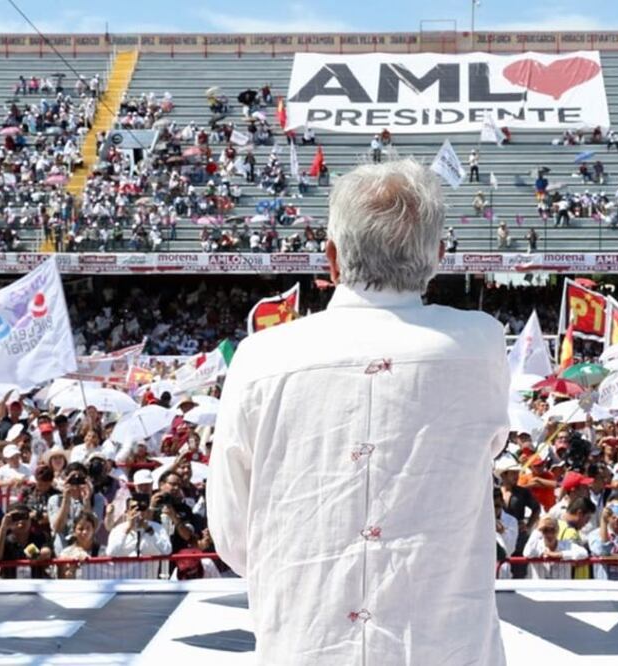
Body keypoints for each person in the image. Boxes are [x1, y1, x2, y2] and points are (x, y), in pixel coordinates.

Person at [208, 158, 510, 665]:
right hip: (446, 647)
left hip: (303, 644)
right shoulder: (480, 342)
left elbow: (235, 536)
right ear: (437, 257)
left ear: (331, 259)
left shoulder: (260, 356)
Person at [0, 502, 53, 578]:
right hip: (11, 585)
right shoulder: (4, 540)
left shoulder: (40, 536)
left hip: (35, 584)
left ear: (30, 519)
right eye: (16, 517)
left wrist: (38, 556)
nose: (21, 521)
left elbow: (46, 551)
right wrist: (3, 528)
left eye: (24, 516)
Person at [523, 515, 588, 579]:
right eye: (545, 530)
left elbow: (584, 553)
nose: (549, 534)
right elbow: (527, 553)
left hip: (562, 588)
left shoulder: (566, 545)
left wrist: (559, 554)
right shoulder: (536, 545)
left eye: (552, 530)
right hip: (541, 588)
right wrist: (538, 529)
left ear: (557, 530)